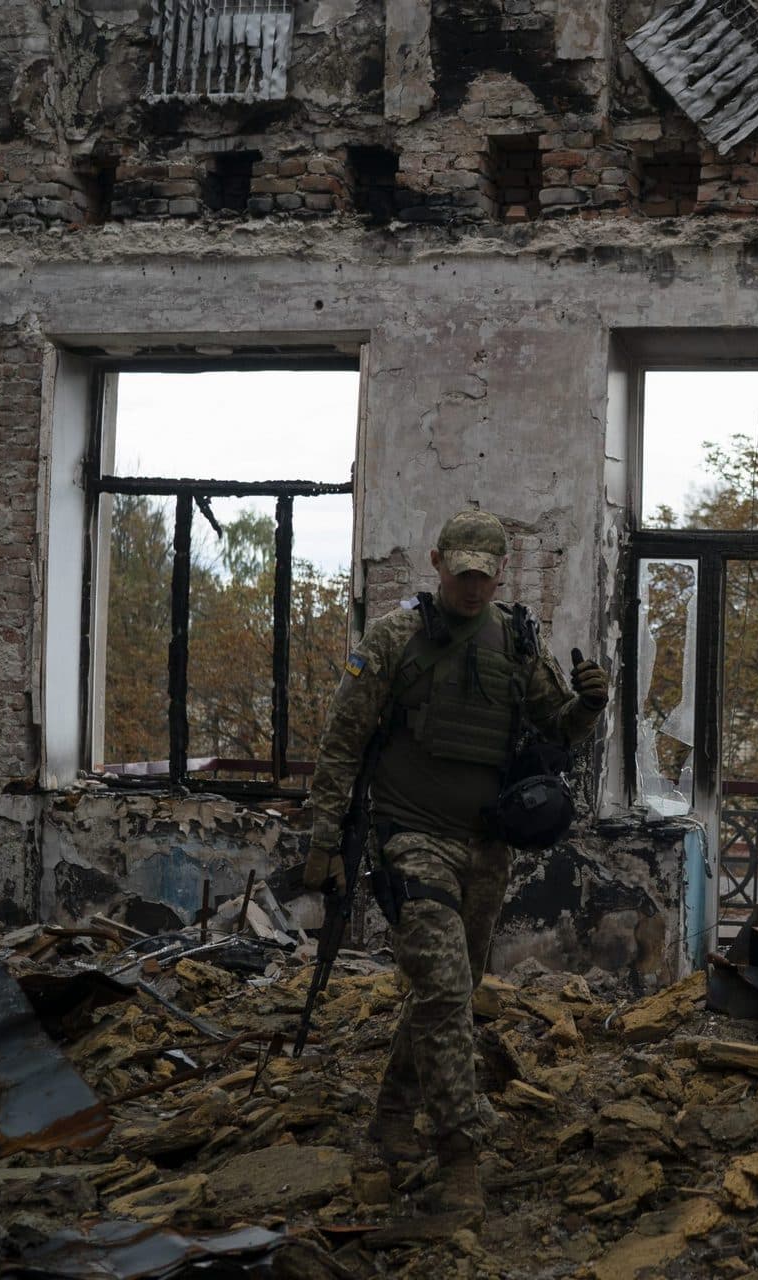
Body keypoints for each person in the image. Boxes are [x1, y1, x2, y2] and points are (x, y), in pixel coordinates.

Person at [302, 509, 609, 1223]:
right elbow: (342, 740)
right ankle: (460, 1155)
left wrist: (590, 704)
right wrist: (324, 840)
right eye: (461, 571)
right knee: (442, 985)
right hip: (411, 838)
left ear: (499, 572)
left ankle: (389, 1122)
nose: (472, 585)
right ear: (437, 562)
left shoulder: (517, 640)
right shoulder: (394, 639)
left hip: (486, 845)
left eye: (484, 573)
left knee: (451, 992)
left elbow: (554, 729)